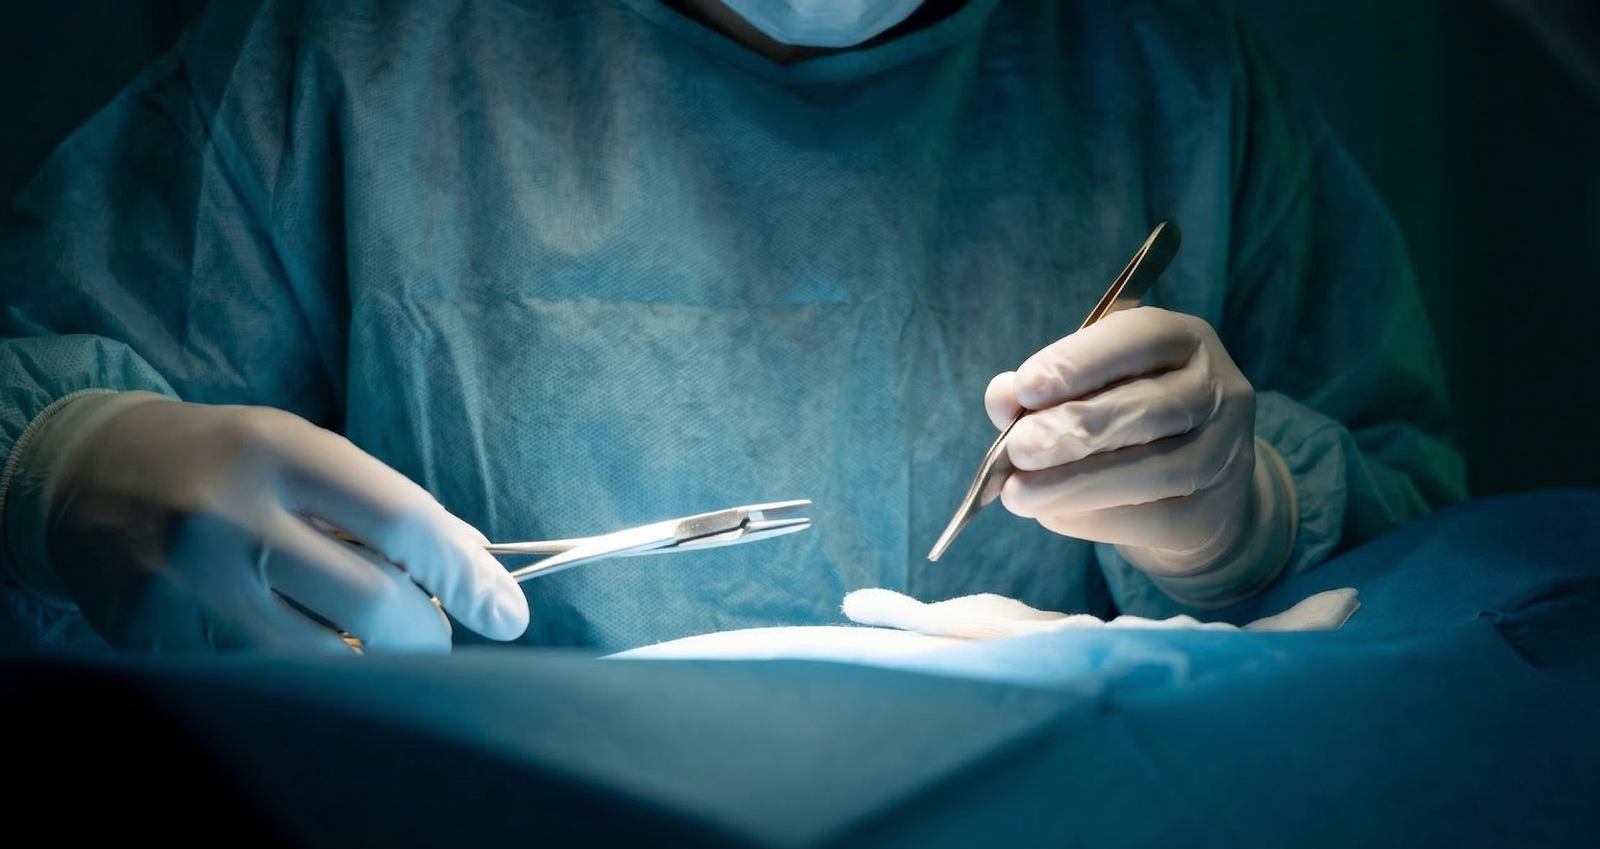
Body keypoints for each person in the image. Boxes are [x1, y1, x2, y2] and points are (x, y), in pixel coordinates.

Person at [0, 0, 1466, 654]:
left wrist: (1249, 528)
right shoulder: (348, 57)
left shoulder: (1178, 84)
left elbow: (1455, 612)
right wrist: (62, 473)